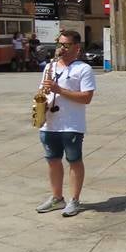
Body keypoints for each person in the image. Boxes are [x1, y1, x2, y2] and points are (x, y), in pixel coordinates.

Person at [35, 30, 96, 217]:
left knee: (74, 161)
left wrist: (59, 90)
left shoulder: (83, 69)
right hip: (50, 124)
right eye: (60, 44)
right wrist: (40, 105)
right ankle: (57, 198)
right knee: (52, 161)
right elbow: (42, 91)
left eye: (66, 45)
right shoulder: (50, 67)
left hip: (71, 124)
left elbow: (86, 98)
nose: (62, 48)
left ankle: (75, 200)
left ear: (77, 48)